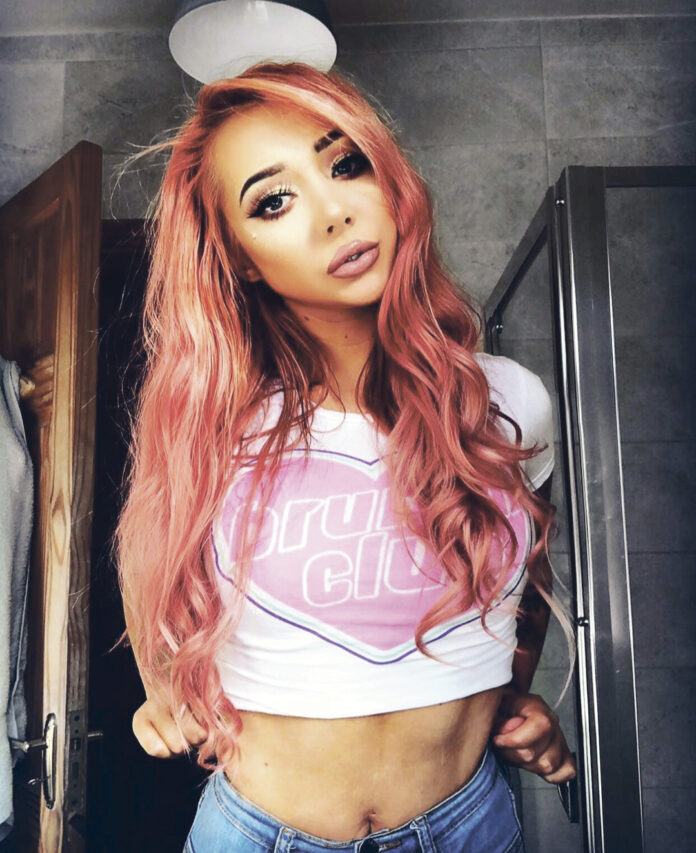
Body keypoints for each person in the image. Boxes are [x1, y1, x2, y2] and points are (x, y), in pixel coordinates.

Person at [113, 61, 577, 852]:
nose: (334, 212)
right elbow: (145, 558)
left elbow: (524, 575)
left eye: (346, 164)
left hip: (468, 824)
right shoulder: (216, 429)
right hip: (257, 832)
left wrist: (507, 697)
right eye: (274, 200)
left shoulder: (510, 401)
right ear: (240, 258)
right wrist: (158, 688)